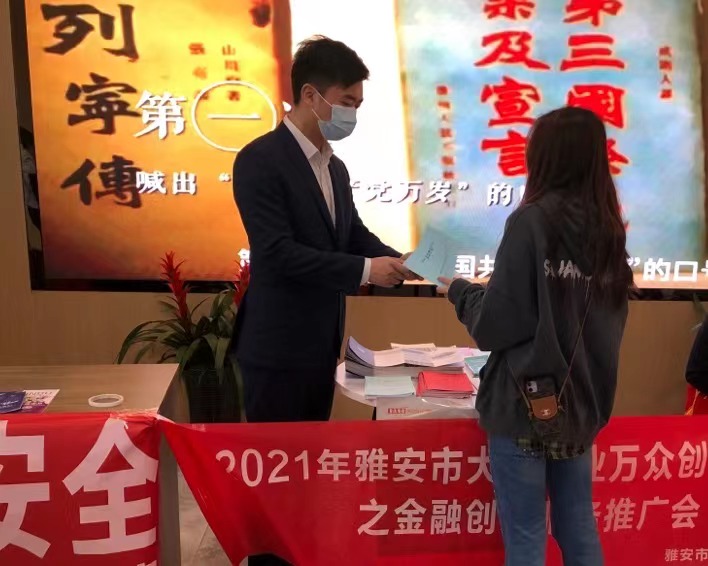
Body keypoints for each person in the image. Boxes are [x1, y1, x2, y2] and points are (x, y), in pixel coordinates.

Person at [440, 107, 631, 566]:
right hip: (580, 405)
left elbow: (496, 324)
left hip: (524, 405)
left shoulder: (530, 222)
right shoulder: (608, 229)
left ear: (544, 158)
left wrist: (461, 291)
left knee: (525, 536)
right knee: (577, 526)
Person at [232, 36, 413, 425]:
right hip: (277, 350)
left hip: (321, 346)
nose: (352, 115)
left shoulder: (335, 167)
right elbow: (278, 253)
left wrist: (399, 259)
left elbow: (352, 235)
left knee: (314, 455)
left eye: (358, 106)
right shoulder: (259, 160)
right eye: (346, 102)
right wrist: (367, 270)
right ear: (310, 95)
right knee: (279, 458)